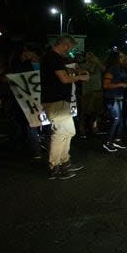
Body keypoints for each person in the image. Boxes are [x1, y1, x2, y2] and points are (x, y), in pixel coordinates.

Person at [40, 36, 89, 180]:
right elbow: (64, 79)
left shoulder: (54, 58)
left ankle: (64, 161)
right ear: (65, 45)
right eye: (71, 48)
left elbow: (64, 72)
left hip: (59, 101)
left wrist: (74, 72)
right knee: (60, 133)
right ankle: (54, 166)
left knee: (68, 131)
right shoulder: (53, 58)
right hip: (56, 101)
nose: (71, 51)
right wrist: (80, 78)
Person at [102, 51, 127, 153]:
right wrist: (121, 85)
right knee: (116, 119)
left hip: (119, 97)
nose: (123, 58)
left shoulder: (121, 68)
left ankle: (117, 140)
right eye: (121, 56)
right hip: (112, 98)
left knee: (121, 120)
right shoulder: (111, 69)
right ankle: (108, 142)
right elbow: (106, 85)